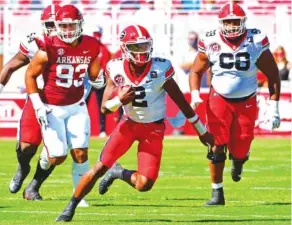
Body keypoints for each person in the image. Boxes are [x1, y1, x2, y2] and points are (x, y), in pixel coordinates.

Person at [55, 24, 215, 222]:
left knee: (144, 184)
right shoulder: (115, 68)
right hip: (128, 126)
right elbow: (104, 108)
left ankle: (119, 172)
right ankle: (70, 206)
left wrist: (201, 130)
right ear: (125, 49)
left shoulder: (160, 68)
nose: (142, 52)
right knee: (98, 168)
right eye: (136, 47)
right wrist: (119, 101)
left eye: (144, 46)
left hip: (153, 129)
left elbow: (181, 101)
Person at [189, 2, 281, 206]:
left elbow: (273, 74)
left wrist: (274, 107)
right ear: (221, 23)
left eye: (235, 22)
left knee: (240, 148)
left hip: (246, 101)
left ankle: (239, 160)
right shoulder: (210, 39)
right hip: (218, 99)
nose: (231, 26)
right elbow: (196, 70)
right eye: (228, 22)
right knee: (216, 146)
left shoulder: (255, 39)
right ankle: (217, 193)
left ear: (244, 22)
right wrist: (195, 93)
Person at [24, 4, 103, 206]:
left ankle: (79, 196)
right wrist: (37, 105)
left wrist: (100, 80)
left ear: (80, 25)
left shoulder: (92, 45)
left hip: (77, 105)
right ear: (57, 26)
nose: (68, 30)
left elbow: (94, 75)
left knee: (80, 152)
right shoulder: (48, 47)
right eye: (64, 26)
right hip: (52, 107)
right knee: (57, 156)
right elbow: (30, 74)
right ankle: (40, 167)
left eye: (72, 25)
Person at [0, 4, 61, 198]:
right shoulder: (35, 42)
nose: (55, 29)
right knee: (27, 146)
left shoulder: (78, 45)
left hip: (64, 103)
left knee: (54, 154)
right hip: (38, 98)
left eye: (59, 24)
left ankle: (33, 187)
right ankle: (22, 167)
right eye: (50, 24)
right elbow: (10, 66)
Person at [85, 25, 112, 138]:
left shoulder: (104, 50)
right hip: (87, 80)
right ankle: (83, 129)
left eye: (98, 34)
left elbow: (106, 66)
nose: (97, 36)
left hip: (100, 80)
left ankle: (102, 130)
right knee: (83, 106)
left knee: (101, 105)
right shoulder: (86, 48)